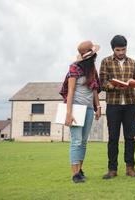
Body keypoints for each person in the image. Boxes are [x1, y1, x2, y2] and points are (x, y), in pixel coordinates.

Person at [100, 35, 135, 179]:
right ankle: (112, 169)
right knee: (113, 138)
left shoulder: (132, 62)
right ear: (113, 49)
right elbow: (102, 83)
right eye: (118, 50)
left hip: (130, 104)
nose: (121, 52)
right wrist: (113, 86)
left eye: (123, 49)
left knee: (130, 138)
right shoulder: (105, 62)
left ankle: (130, 168)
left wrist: (133, 82)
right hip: (113, 105)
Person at [59, 40, 101, 183]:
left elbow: (94, 89)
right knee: (76, 141)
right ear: (91, 56)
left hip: (89, 108)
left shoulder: (92, 70)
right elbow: (70, 92)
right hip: (76, 107)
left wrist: (98, 107)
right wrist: (68, 113)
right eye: (94, 54)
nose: (96, 56)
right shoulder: (74, 68)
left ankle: (80, 170)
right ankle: (75, 175)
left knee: (83, 141)